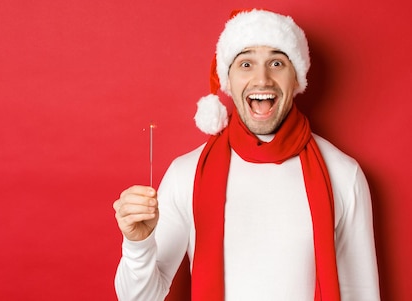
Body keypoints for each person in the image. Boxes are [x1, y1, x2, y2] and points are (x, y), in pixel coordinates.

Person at [112, 9, 380, 301]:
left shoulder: (343, 174)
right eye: (246, 63)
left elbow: (362, 293)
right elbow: (137, 298)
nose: (261, 79)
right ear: (228, 79)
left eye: (277, 63)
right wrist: (138, 244)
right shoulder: (185, 174)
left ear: (296, 78)